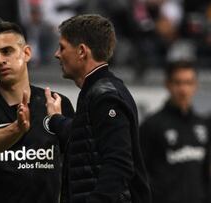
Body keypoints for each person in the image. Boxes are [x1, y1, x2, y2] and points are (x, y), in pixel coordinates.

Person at [0, 18, 74, 203]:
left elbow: (76, 161)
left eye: (7, 51)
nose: (0, 60)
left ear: (27, 53)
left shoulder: (56, 103)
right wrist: (18, 128)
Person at [44, 14, 151, 203]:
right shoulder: (98, 91)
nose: (57, 54)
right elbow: (85, 136)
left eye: (62, 47)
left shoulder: (105, 96)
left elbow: (119, 163)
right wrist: (56, 120)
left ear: (82, 51)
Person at [139, 61, 210, 203]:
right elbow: (139, 172)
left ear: (196, 85)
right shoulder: (152, 125)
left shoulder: (203, 125)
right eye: (178, 83)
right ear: (168, 84)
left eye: (188, 83)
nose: (183, 89)